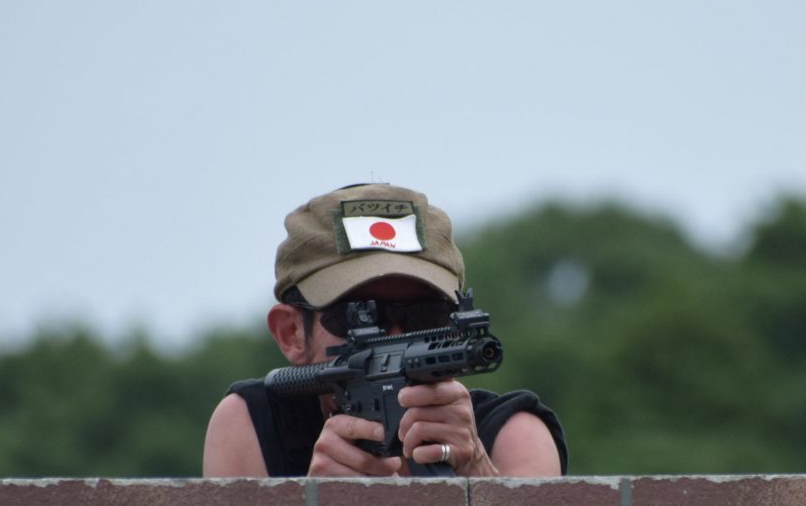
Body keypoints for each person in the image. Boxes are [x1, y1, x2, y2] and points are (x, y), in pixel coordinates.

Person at [203, 183, 567, 478]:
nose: (394, 337)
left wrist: (476, 472)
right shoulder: (251, 426)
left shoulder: (514, 435)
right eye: (358, 315)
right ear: (291, 333)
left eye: (426, 315)